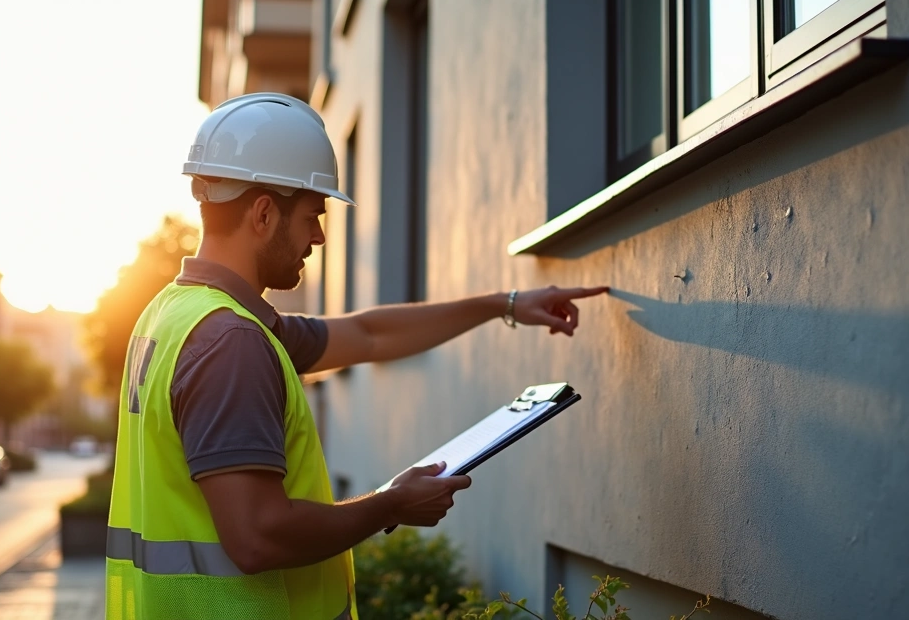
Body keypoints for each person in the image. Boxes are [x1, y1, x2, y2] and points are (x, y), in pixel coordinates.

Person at [105, 93, 608, 620]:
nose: (319, 236)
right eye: (312, 215)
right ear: (262, 213)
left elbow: (368, 335)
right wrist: (391, 504)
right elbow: (258, 538)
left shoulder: (177, 313)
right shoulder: (231, 342)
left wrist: (503, 304)